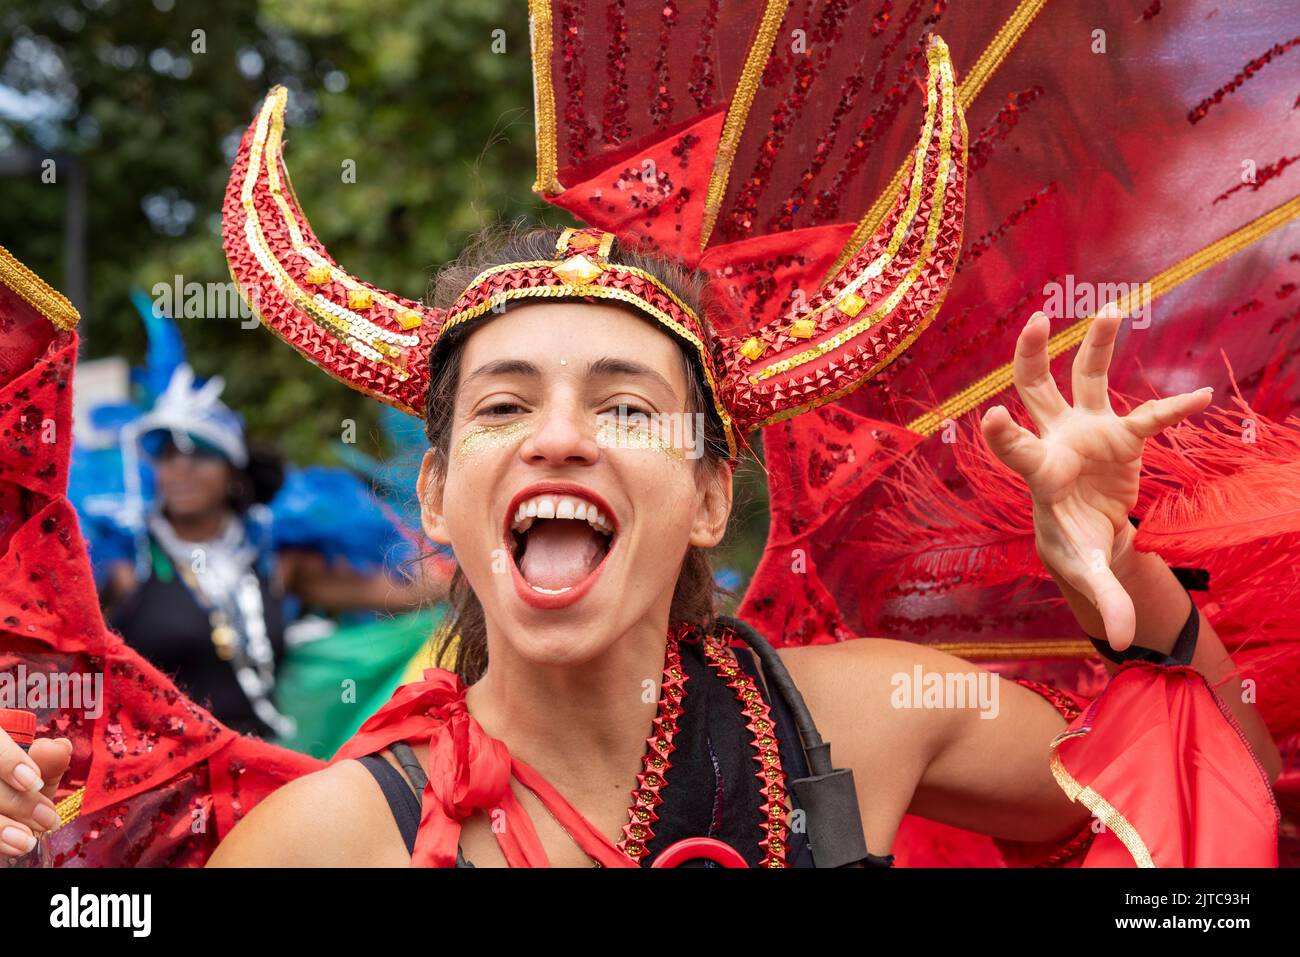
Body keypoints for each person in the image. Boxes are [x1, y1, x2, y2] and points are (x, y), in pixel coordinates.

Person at [0, 18, 1290, 867]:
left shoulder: (874, 718)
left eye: (626, 408)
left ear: (710, 495)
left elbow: (1206, 837)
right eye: (503, 407)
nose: (560, 438)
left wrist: (1122, 577)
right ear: (440, 497)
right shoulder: (326, 842)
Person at [99, 365, 448, 740]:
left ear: (234, 473)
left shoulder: (272, 557)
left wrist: (480, 561)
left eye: (200, 454)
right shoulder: (128, 560)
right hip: (155, 773)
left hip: (257, 768)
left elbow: (405, 591)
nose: (181, 467)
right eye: (168, 455)